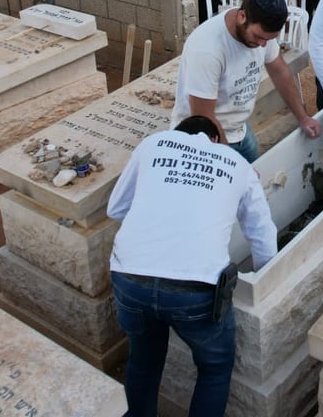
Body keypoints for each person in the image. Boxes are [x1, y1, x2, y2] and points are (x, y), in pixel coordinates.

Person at [108, 115, 277, 417]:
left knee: (144, 361)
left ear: (177, 134)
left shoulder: (154, 144)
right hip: (196, 288)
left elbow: (116, 208)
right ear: (215, 139)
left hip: (130, 276)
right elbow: (262, 233)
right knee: (214, 368)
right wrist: (266, 281)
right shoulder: (236, 162)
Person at [172, 0, 321, 162]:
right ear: (242, 16)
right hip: (204, 140)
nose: (263, 45)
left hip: (240, 130)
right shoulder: (208, 49)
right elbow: (203, 118)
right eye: (258, 37)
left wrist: (303, 117)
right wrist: (230, 162)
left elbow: (279, 71)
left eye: (269, 39)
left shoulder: (261, 32)